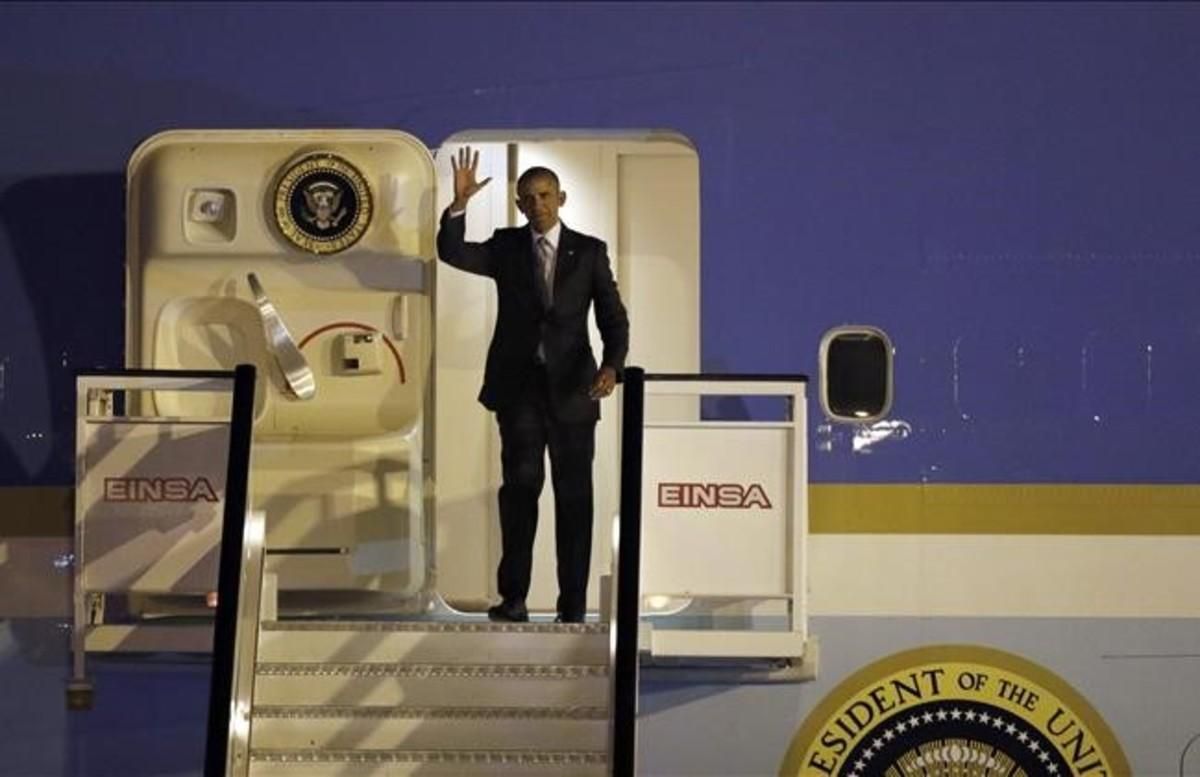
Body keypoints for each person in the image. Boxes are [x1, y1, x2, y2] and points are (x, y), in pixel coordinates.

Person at [437, 147, 629, 624]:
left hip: (574, 393)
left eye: (544, 194)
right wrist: (458, 206)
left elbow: (613, 317)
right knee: (519, 493)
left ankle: (572, 607)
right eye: (528, 198)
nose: (537, 204)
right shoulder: (504, 247)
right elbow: (453, 251)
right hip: (519, 391)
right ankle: (513, 600)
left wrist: (613, 366)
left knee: (574, 500)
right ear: (519, 205)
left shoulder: (589, 251)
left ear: (560, 198)